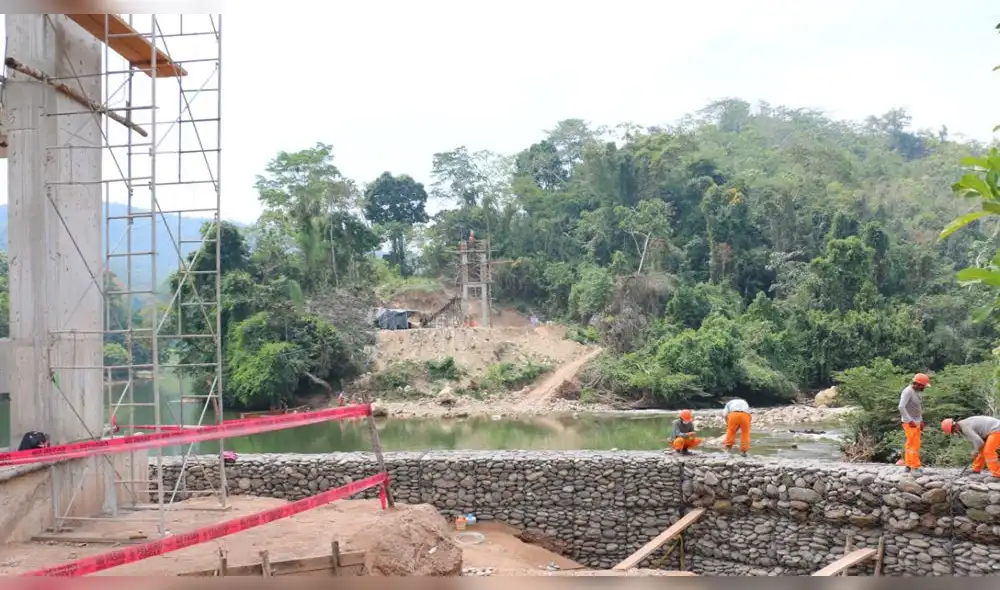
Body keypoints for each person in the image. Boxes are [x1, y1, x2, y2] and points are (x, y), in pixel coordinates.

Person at [898, 373, 930, 474]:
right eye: (923, 386)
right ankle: (914, 467)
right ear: (918, 384)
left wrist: (921, 421)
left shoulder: (917, 392)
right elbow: (901, 407)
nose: (924, 388)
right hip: (910, 423)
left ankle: (908, 465)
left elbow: (917, 408)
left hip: (916, 421)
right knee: (914, 445)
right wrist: (909, 420)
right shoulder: (908, 391)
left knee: (911, 444)